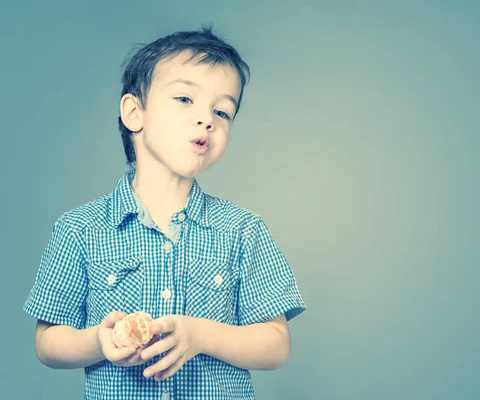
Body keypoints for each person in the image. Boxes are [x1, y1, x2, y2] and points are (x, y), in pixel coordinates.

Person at [23, 27, 306, 400]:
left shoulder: (243, 230)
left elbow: (276, 345)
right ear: (134, 112)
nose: (207, 118)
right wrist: (98, 342)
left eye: (222, 111)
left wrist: (200, 336)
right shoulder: (79, 230)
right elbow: (48, 342)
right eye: (186, 98)